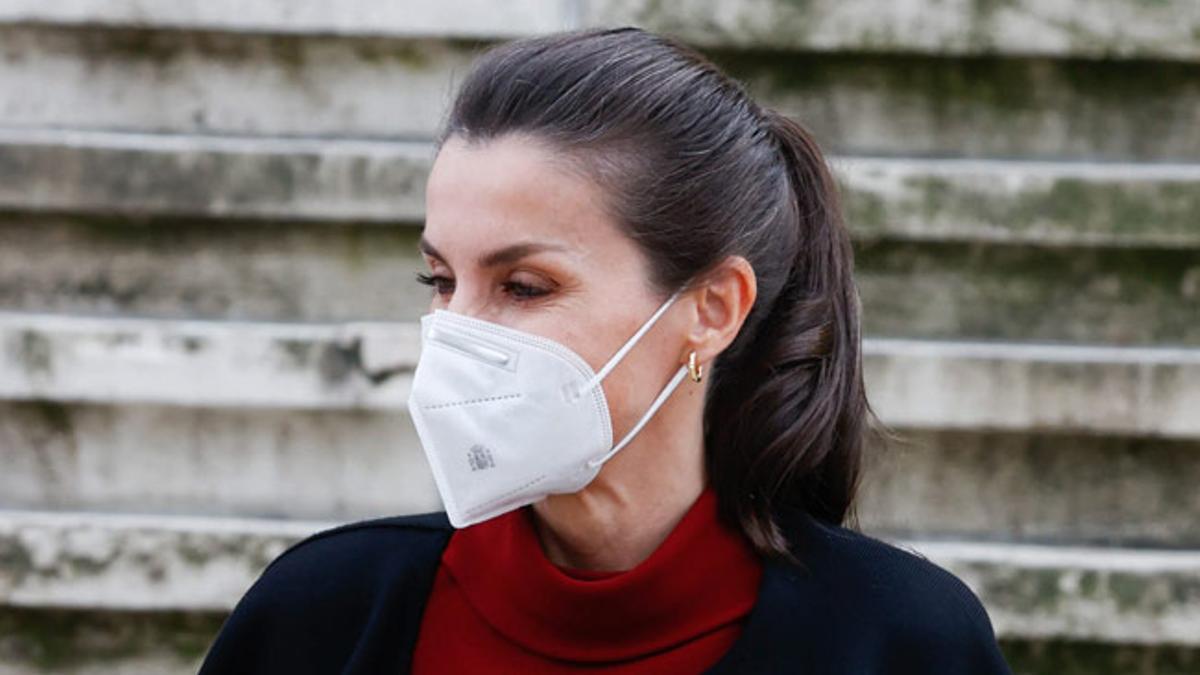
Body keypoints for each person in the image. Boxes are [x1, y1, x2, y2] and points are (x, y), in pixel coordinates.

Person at [198, 26, 1014, 674]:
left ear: (711, 308)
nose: (458, 332)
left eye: (525, 286)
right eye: (441, 281)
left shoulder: (900, 641)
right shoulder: (319, 614)